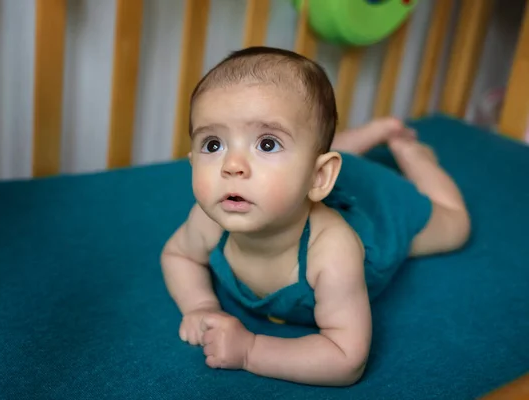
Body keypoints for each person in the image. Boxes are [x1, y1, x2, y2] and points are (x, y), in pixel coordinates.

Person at [160, 46, 470, 387]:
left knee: (456, 227)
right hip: (320, 175)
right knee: (311, 148)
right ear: (192, 160)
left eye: (266, 144)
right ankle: (370, 134)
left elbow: (345, 358)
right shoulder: (207, 221)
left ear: (319, 177)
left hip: (379, 212)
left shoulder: (333, 251)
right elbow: (177, 255)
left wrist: (250, 349)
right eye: (213, 145)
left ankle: (413, 154)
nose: (231, 166)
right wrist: (201, 305)